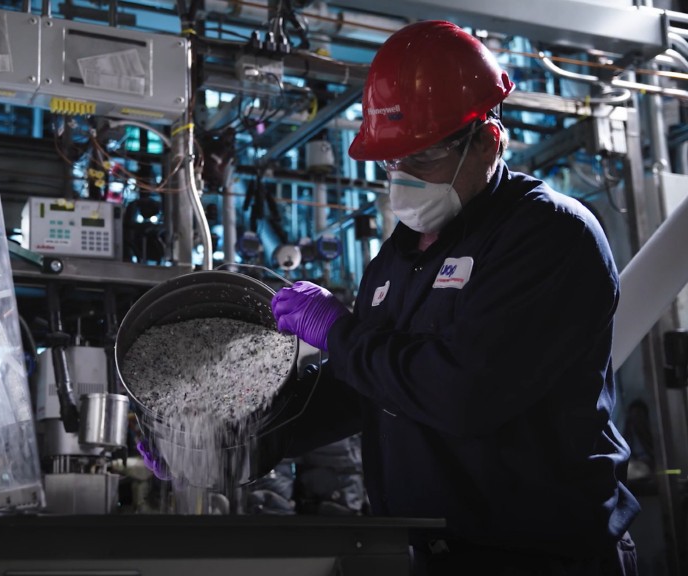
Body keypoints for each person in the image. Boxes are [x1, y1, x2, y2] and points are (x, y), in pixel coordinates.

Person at [271, 20, 640, 576]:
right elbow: (367, 389)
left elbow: (464, 394)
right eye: (391, 162)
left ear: (487, 142)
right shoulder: (395, 258)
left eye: (422, 159)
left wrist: (339, 332)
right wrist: (251, 438)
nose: (402, 180)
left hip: (543, 558)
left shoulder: (548, 236)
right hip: (431, 554)